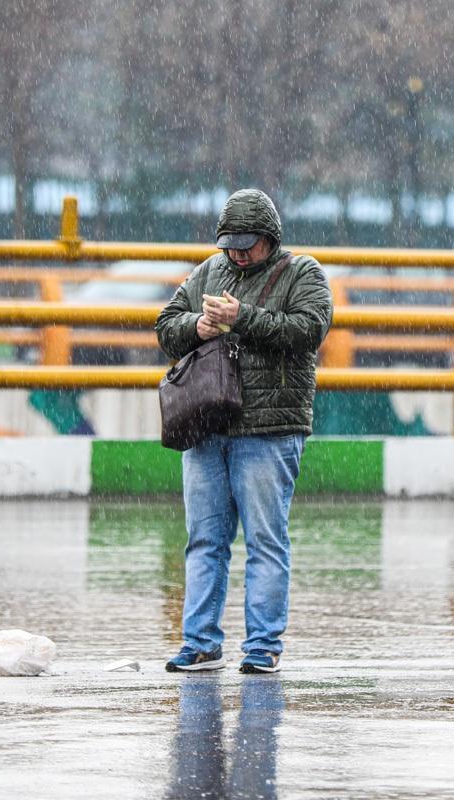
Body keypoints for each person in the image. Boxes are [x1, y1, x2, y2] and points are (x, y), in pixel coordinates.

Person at [155, 188, 332, 674]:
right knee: (204, 541)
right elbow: (166, 325)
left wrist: (242, 319)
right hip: (207, 426)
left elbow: (309, 330)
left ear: (270, 239)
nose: (236, 253)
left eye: (246, 244)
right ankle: (200, 642)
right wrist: (199, 327)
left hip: (270, 429)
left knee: (265, 542)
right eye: (229, 242)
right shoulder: (207, 272)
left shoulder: (302, 273)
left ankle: (262, 647)